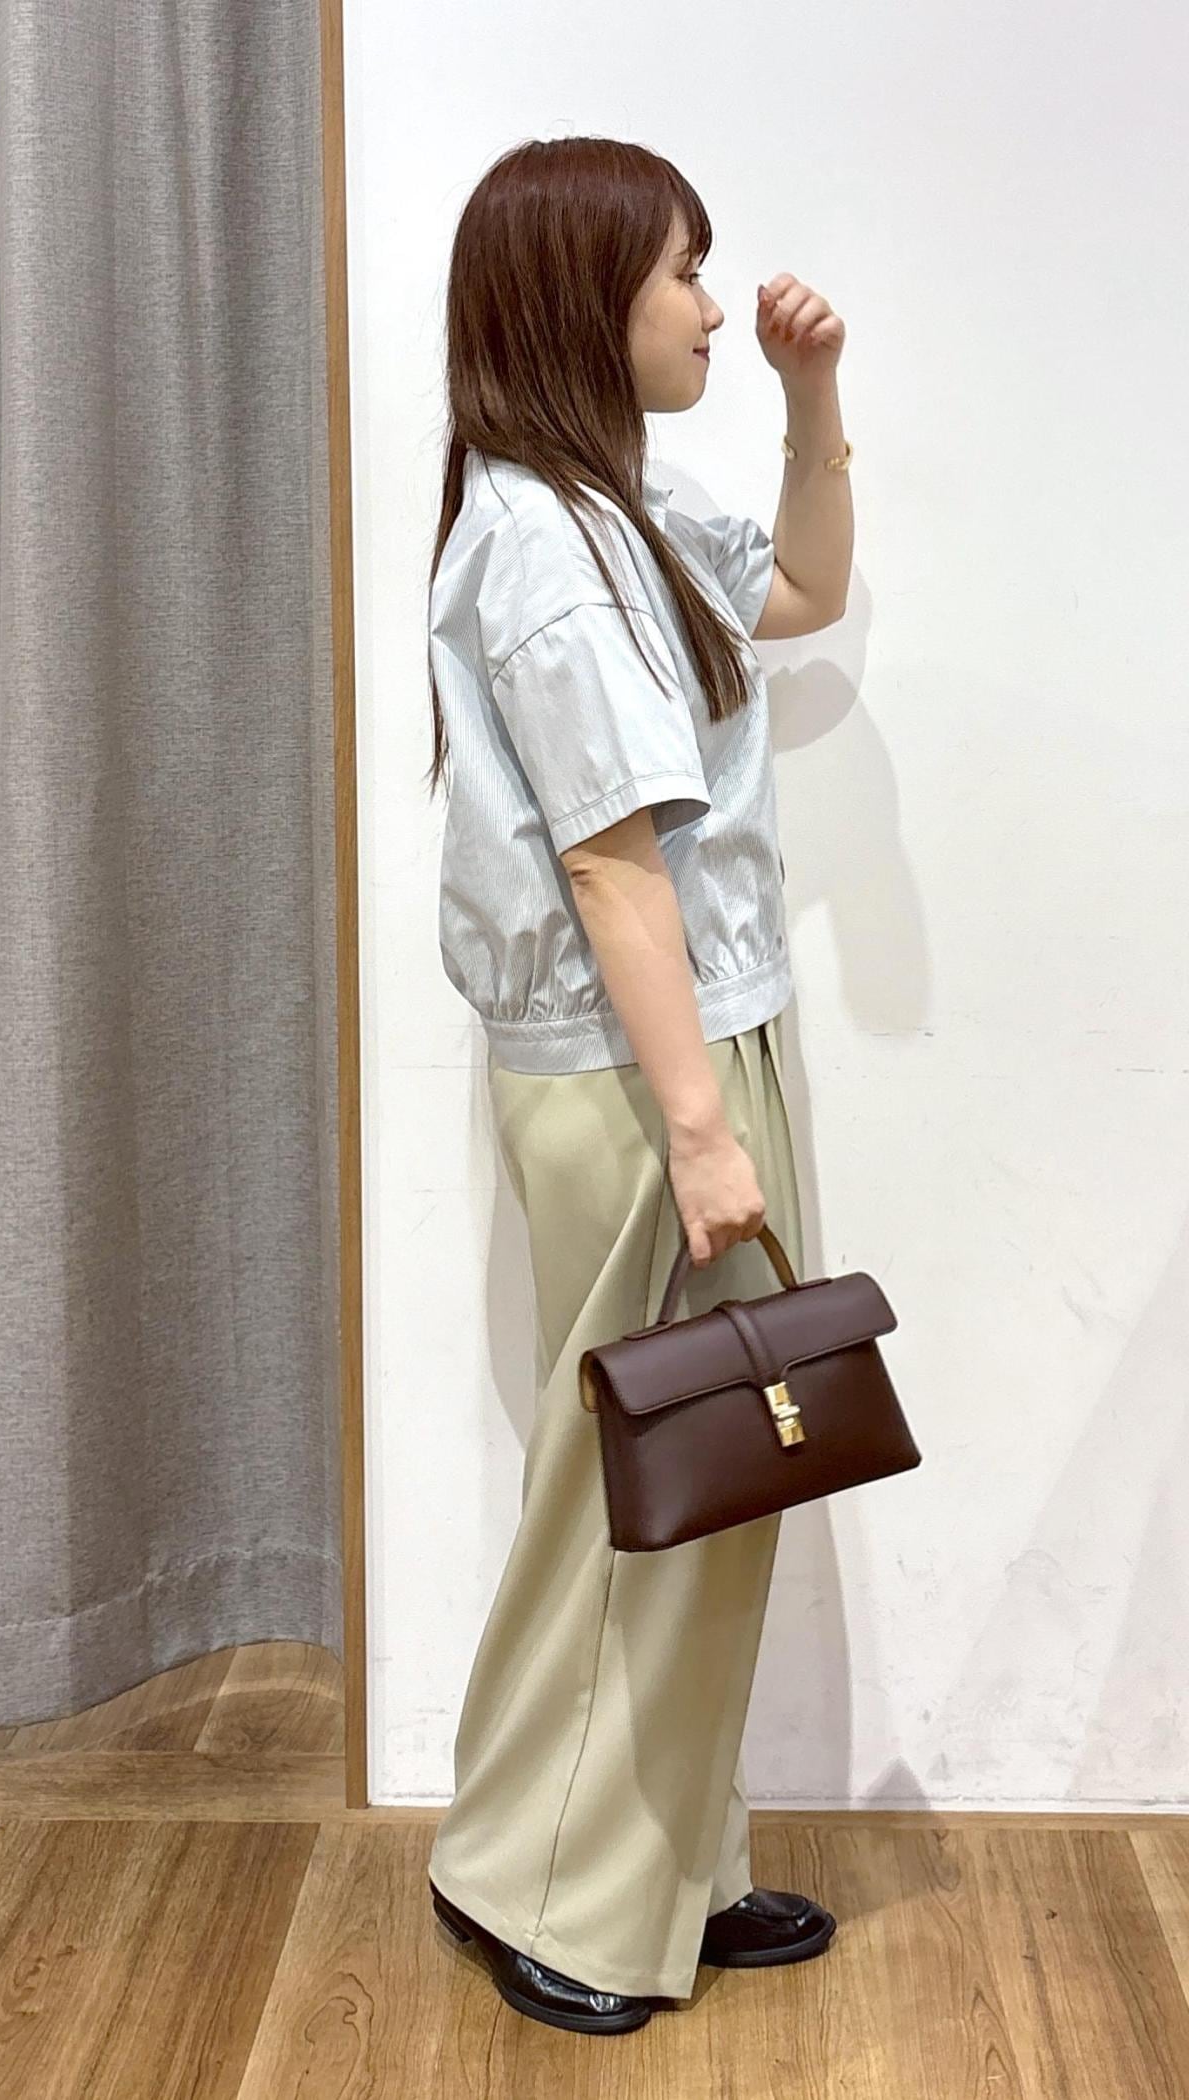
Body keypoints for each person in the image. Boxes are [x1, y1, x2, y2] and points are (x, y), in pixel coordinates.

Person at [421, 134, 854, 2036]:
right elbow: (612, 870)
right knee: (653, 1479)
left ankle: (653, 1867)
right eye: (682, 271)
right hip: (636, 1065)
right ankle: (556, 1896)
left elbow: (810, 589)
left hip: (688, 1037)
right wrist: (698, 1127)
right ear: (581, 297)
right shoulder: (542, 540)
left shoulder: (630, 507)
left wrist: (813, 395)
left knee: (696, 1481)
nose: (709, 304)